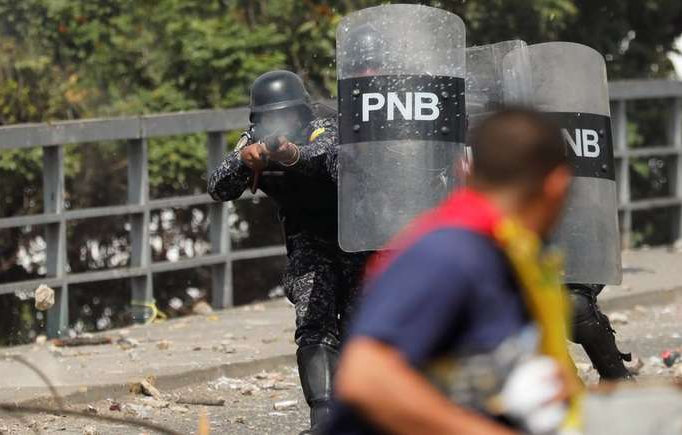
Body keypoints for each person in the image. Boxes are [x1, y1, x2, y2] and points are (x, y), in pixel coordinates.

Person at [328, 108, 581, 435]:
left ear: (467, 171)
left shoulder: (510, 252)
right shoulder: (449, 254)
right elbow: (366, 378)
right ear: (557, 185)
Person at [207, 70, 369, 433]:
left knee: (363, 330)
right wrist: (245, 161)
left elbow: (332, 160)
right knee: (314, 328)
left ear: (303, 112)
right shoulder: (253, 141)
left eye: (288, 115)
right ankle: (324, 421)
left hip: (359, 239)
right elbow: (218, 187)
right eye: (270, 118)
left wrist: (290, 154)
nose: (281, 124)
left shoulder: (325, 127)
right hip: (309, 241)